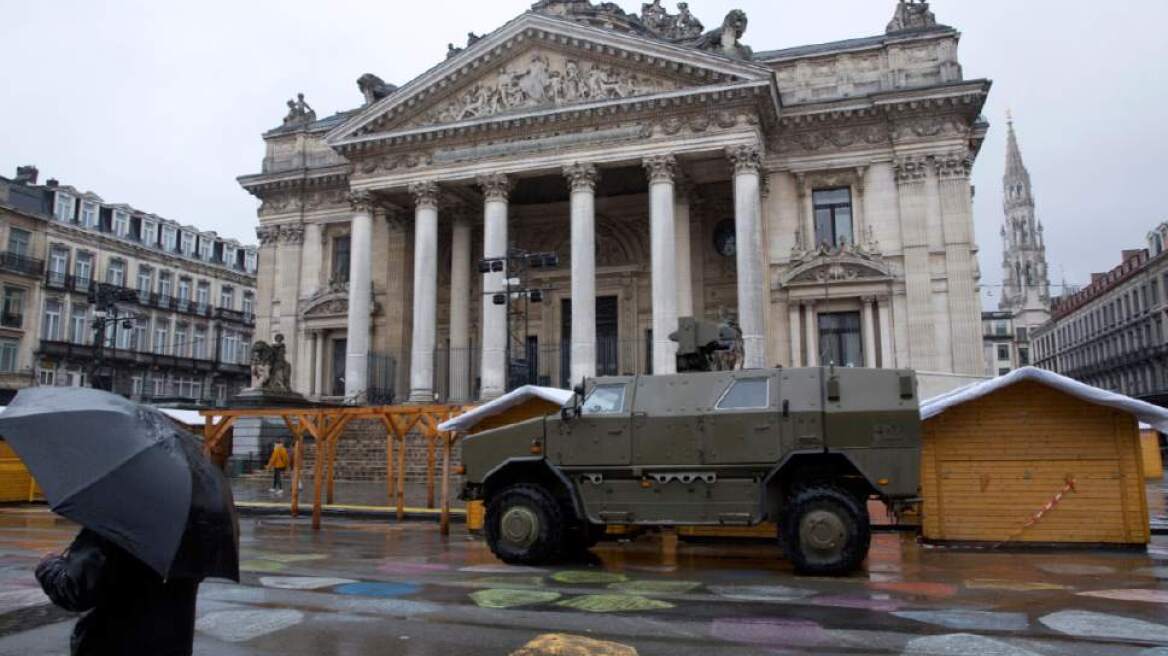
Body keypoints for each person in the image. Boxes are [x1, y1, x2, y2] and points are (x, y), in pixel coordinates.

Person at [36, 529, 201, 656]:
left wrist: (49, 566)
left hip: (114, 646)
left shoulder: (116, 520)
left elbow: (75, 590)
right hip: (172, 646)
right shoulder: (192, 525)